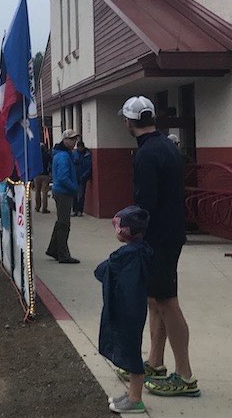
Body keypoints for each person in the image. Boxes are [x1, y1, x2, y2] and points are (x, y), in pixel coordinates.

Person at [118, 96, 200, 397]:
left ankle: (185, 376)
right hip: (169, 235)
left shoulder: (146, 154)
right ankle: (155, 362)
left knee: (167, 303)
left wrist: (127, 231)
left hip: (159, 240)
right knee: (155, 300)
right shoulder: (167, 146)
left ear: (129, 121)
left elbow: (146, 205)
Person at [95, 206, 152, 414]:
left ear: (123, 231)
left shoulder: (123, 256)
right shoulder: (144, 251)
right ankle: (131, 394)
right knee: (131, 348)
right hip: (135, 308)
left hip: (124, 309)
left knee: (131, 353)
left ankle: (135, 399)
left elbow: (101, 271)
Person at [46, 129, 80, 264]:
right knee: (64, 224)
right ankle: (63, 254)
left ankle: (54, 249)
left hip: (61, 191)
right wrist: (74, 188)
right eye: (72, 139)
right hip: (64, 192)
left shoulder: (62, 154)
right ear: (65, 140)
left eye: (75, 139)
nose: (74, 142)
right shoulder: (64, 156)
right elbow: (63, 177)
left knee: (61, 222)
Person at [72, 140, 92, 216]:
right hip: (75, 177)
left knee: (81, 195)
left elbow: (89, 167)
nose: (80, 149)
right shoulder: (75, 154)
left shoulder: (87, 155)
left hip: (82, 177)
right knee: (74, 194)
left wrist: (84, 175)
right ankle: (75, 210)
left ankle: (80, 210)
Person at [33, 142, 52, 213]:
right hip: (45, 174)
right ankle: (44, 208)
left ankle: (37, 207)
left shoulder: (35, 156)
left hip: (37, 175)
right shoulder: (47, 155)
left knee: (37, 191)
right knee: (44, 192)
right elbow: (51, 162)